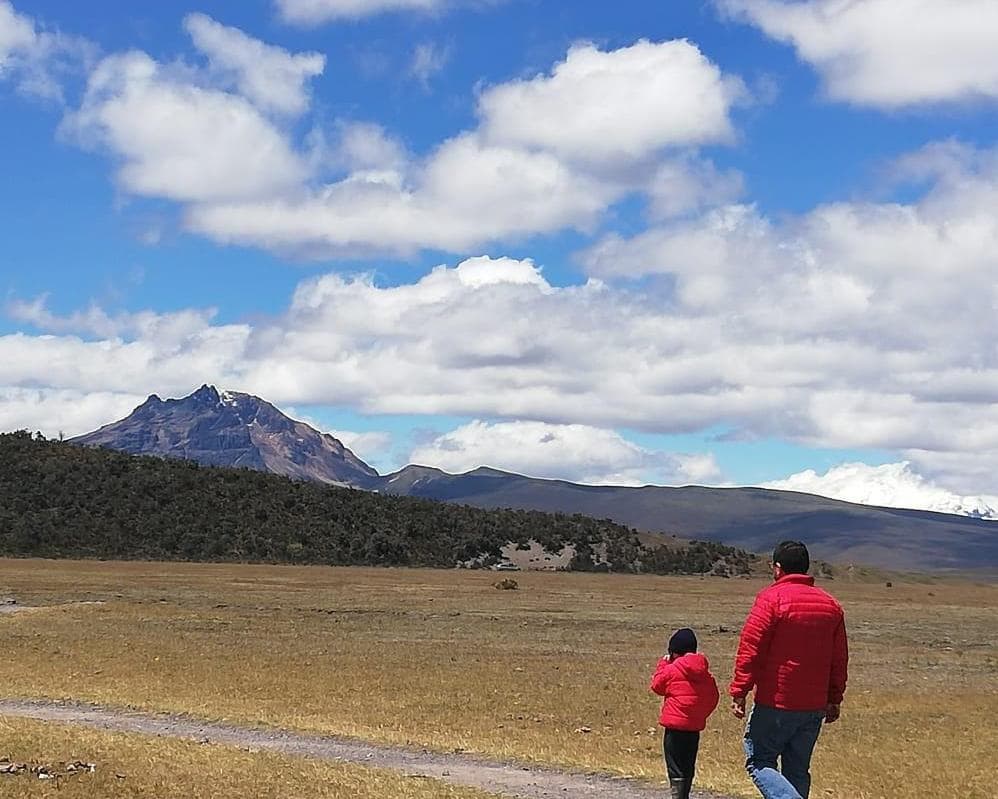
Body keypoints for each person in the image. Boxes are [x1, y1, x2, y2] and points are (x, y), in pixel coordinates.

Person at [729, 540, 848, 799]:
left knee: (759, 760)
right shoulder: (831, 605)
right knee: (797, 769)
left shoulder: (771, 599)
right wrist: (834, 698)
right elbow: (839, 659)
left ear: (778, 568)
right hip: (814, 705)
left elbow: (752, 647)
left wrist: (740, 690)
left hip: (777, 701)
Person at [650, 627, 720, 799]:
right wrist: (700, 714)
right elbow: (713, 697)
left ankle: (678, 796)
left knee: (675, 767)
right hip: (694, 727)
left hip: (674, 728)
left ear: (674, 652)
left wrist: (663, 665)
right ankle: (684, 794)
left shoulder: (672, 669)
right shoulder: (704, 673)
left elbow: (656, 686)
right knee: (688, 764)